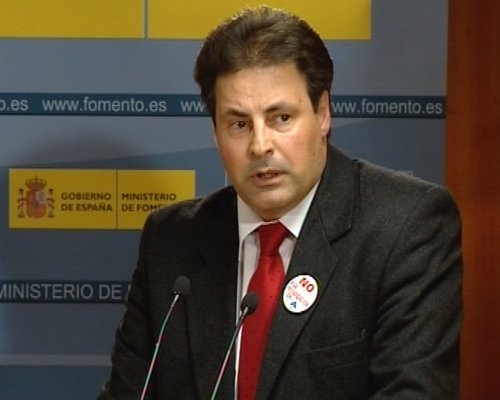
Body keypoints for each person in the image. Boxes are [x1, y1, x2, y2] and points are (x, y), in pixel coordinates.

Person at [98, 5, 462, 399]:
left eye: (281, 118)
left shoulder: (406, 227)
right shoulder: (171, 241)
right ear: (216, 133)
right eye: (239, 124)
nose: (260, 145)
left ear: (323, 113)